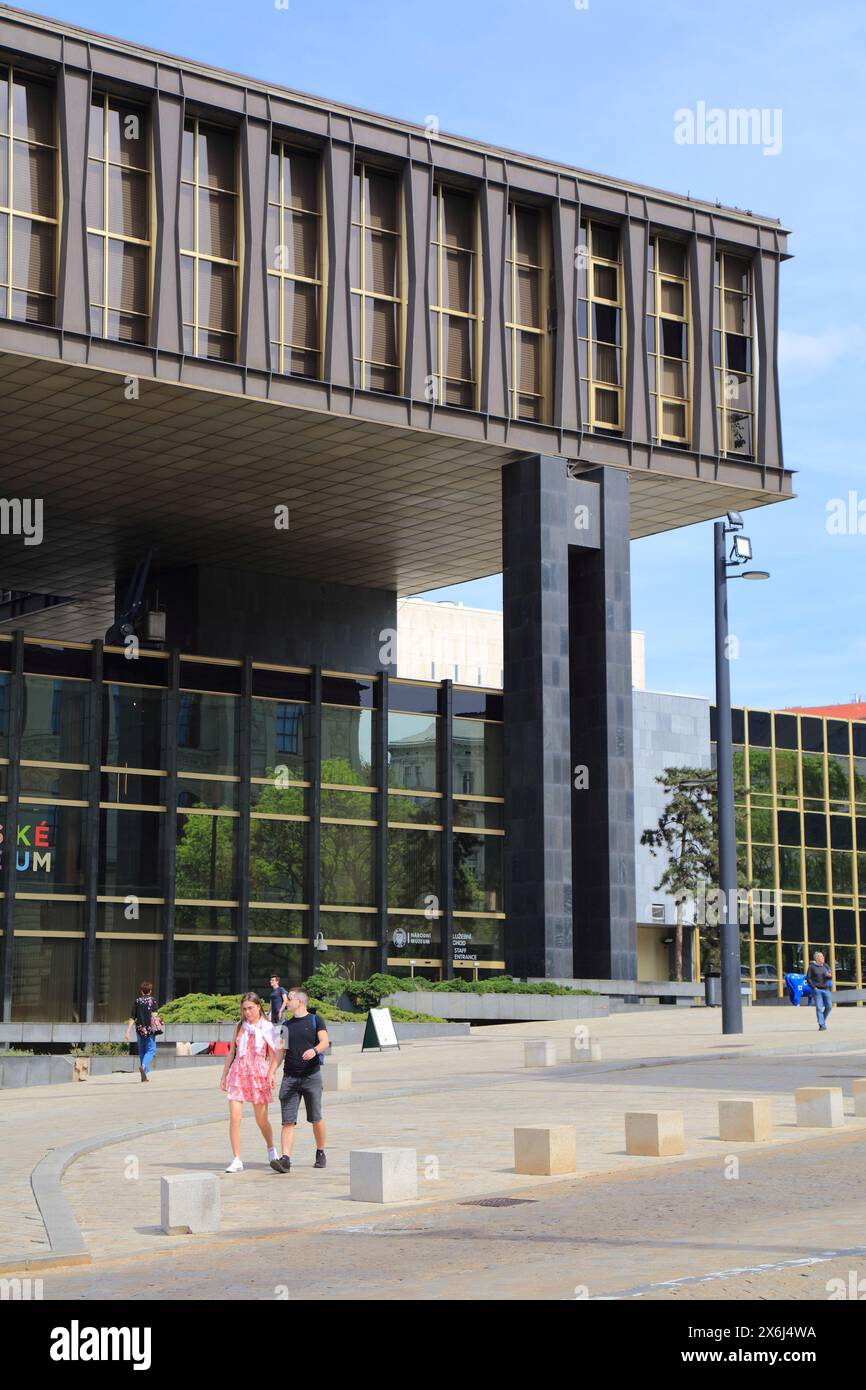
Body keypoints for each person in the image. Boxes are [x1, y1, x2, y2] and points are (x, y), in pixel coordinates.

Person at [267, 987, 329, 1173]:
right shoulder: (286, 1025)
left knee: (316, 1118)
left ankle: (320, 1151)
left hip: (311, 1076)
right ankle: (285, 1159)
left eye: (290, 999)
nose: (287, 1002)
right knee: (287, 1121)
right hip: (290, 1077)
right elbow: (280, 1051)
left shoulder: (315, 1019)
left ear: (300, 1001)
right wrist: (271, 1072)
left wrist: (315, 1050)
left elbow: (325, 1041)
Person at [220, 992, 282, 1173]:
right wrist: (224, 1075)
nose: (247, 1012)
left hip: (258, 1075)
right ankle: (237, 1158)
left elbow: (275, 1053)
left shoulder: (267, 1027)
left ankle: (271, 1148)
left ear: (258, 1007)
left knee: (261, 1120)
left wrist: (272, 1073)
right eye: (244, 1009)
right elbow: (232, 1052)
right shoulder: (240, 1026)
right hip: (238, 1074)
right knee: (234, 1118)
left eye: (251, 1008)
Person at [124, 981, 161, 1082]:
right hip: (149, 1030)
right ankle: (144, 1066)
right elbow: (154, 1015)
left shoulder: (137, 1001)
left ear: (141, 991)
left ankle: (144, 1075)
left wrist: (128, 1031)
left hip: (139, 1029)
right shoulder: (152, 1000)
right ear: (150, 991)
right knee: (151, 1050)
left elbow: (132, 1017)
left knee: (142, 1051)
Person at [806, 952, 833, 1031]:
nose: (823, 958)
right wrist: (813, 987)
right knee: (819, 1007)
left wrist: (829, 976)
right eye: (821, 957)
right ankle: (821, 1025)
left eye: (823, 956)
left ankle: (822, 1020)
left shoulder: (826, 966)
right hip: (817, 990)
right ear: (817, 958)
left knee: (829, 1006)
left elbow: (830, 976)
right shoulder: (812, 967)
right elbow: (808, 978)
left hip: (826, 989)